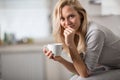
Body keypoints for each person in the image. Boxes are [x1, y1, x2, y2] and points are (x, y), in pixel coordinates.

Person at [43, 0, 120, 80]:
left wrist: (70, 44)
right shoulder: (77, 34)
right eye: (62, 18)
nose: (67, 23)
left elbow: (84, 73)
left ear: (81, 15)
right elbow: (80, 70)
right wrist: (60, 59)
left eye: (71, 16)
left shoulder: (95, 33)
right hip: (109, 67)